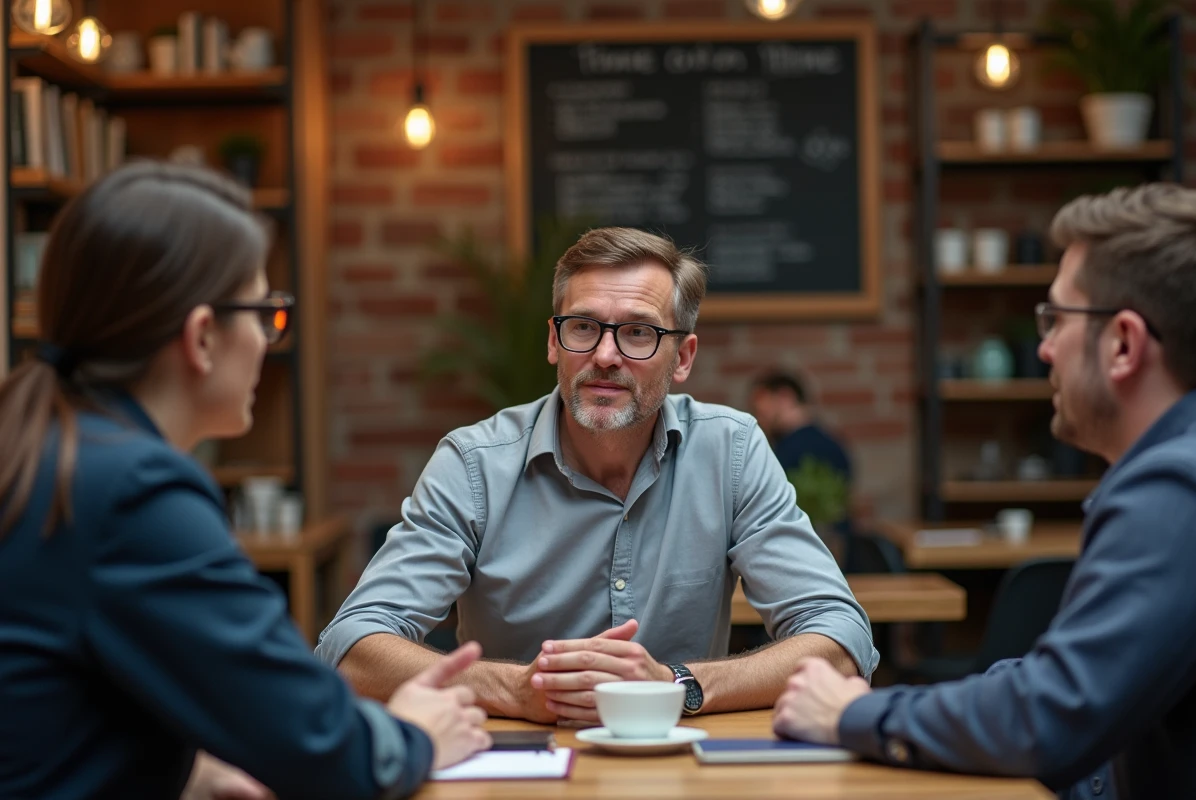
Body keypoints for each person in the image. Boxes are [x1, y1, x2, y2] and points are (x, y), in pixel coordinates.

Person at [0, 162, 490, 800]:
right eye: (264, 313)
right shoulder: (136, 491)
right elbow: (318, 746)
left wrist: (183, 773)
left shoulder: (45, 449)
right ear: (203, 336)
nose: (266, 339)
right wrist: (414, 733)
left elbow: (61, 709)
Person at [317, 227, 877, 726]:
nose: (605, 355)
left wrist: (678, 686)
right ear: (553, 341)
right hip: (513, 770)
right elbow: (350, 645)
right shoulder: (475, 462)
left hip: (681, 771)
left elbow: (842, 635)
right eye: (583, 327)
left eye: (637, 333)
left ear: (682, 357)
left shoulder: (730, 450)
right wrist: (519, 690)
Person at [771, 183, 1196, 799]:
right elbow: (1062, 689)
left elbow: (1050, 715)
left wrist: (849, 716)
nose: (1044, 349)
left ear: (1124, 344)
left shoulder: (1174, 487)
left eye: (1056, 319)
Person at [749, 371, 854, 529]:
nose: (760, 419)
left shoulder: (787, 453)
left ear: (785, 397)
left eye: (762, 410)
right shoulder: (834, 444)